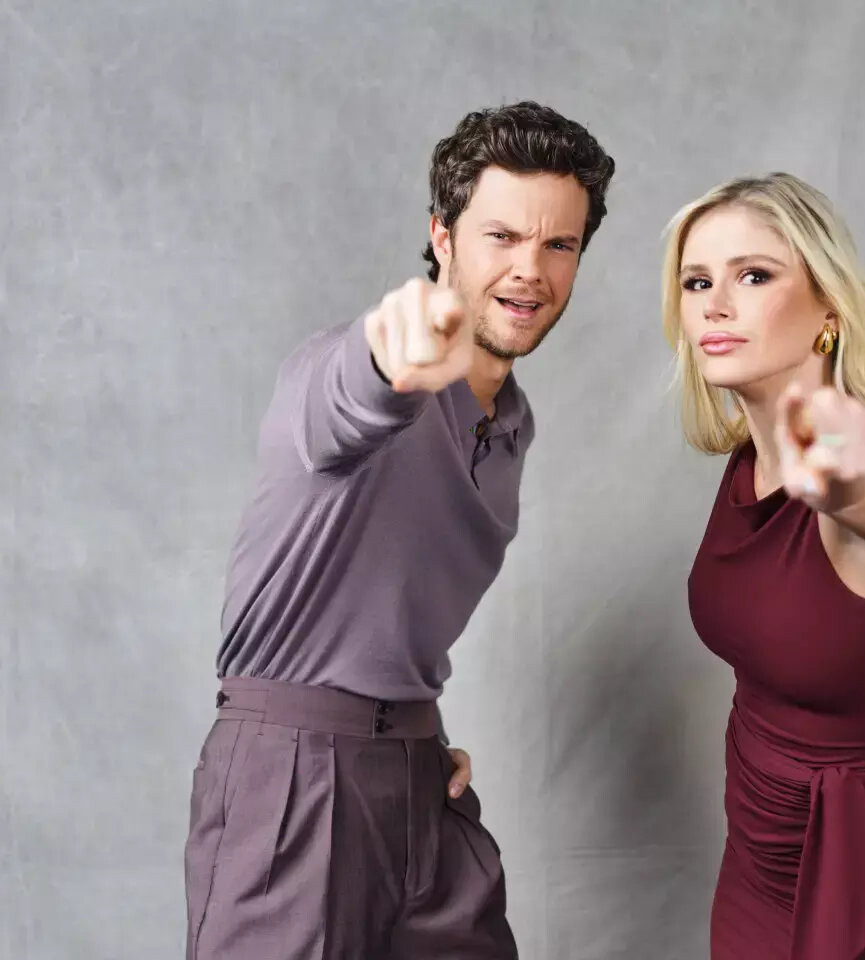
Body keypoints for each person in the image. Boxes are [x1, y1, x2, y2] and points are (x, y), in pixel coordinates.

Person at [184, 101, 614, 960]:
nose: (530, 270)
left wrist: (416, 740)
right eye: (502, 236)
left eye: (559, 245)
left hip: (415, 775)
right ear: (443, 237)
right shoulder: (347, 369)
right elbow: (348, 396)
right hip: (293, 780)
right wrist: (390, 362)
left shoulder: (513, 425)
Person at [662, 173, 865, 959]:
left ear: (829, 309)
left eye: (753, 276)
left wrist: (841, 466)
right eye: (697, 282)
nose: (715, 305)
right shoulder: (745, 465)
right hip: (755, 865)